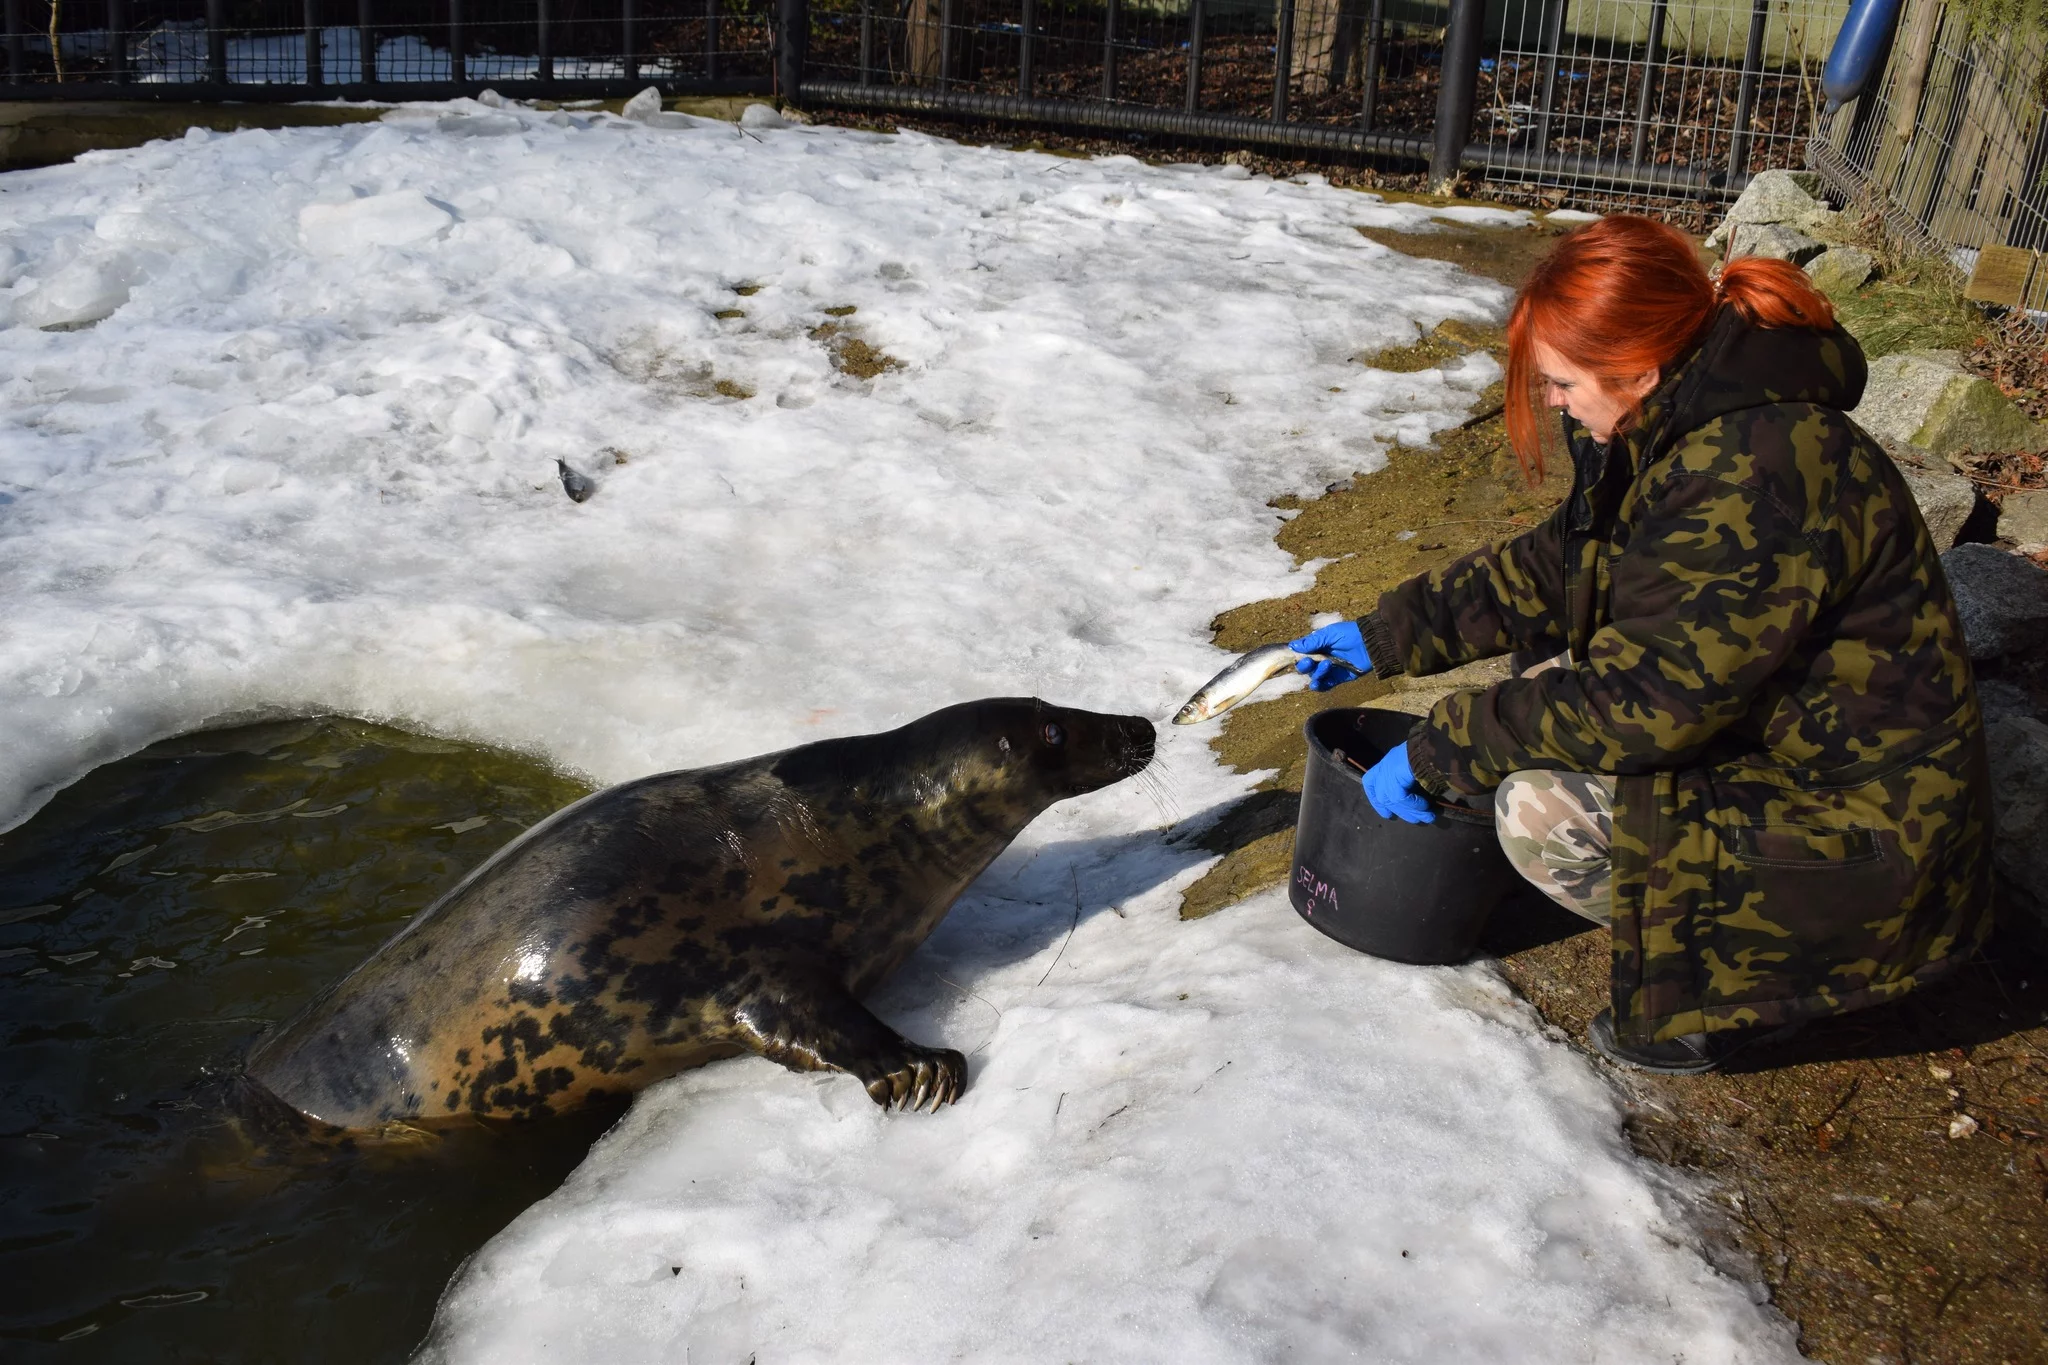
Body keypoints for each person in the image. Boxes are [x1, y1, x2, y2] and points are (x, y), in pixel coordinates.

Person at [1289, 215, 1993, 1074]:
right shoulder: (1681, 423)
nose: (1550, 401)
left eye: (1560, 382)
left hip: (1874, 844)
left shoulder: (1753, 470)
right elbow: (1558, 565)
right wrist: (1387, 633)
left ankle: (1736, 996)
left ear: (1640, 367)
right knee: (1545, 683)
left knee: (1540, 812)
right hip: (1779, 751)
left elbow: (1648, 704)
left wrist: (1444, 746)